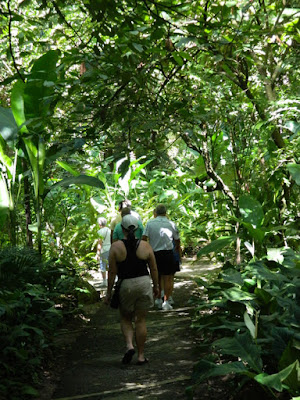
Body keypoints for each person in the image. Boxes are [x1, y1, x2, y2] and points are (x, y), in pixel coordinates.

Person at [104, 215, 159, 365]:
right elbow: (153, 268)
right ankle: (141, 356)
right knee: (140, 320)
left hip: (126, 285)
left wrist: (108, 292)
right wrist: (156, 286)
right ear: (138, 228)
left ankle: (129, 346)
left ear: (122, 229)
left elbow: (112, 272)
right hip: (143, 283)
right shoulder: (145, 246)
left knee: (126, 318)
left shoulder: (116, 247)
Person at [142, 204, 181, 311]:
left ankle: (158, 299)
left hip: (154, 254)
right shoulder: (171, 223)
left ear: (155, 213)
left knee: (157, 277)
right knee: (168, 278)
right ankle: (166, 301)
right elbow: (177, 239)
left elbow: (144, 238)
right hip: (168, 253)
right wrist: (177, 248)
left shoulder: (150, 223)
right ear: (165, 213)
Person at [96, 217, 111, 286]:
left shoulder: (100, 232)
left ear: (99, 224)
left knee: (103, 266)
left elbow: (100, 243)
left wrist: (98, 253)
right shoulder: (110, 230)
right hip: (111, 249)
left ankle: (104, 282)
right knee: (111, 265)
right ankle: (113, 280)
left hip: (104, 250)